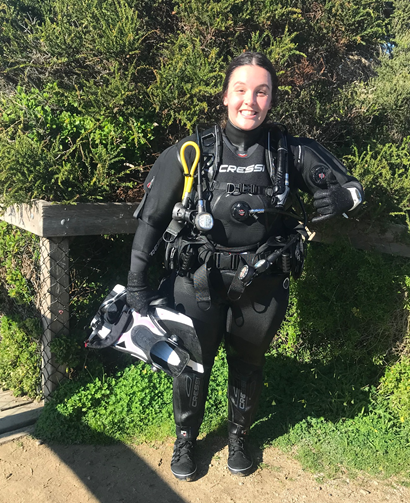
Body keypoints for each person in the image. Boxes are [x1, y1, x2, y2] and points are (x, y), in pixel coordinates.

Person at [126, 52, 364, 481]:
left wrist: (346, 198)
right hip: (195, 283)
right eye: (241, 90)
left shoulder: (290, 151)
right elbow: (150, 220)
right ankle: (186, 439)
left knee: (249, 363)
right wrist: (136, 283)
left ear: (271, 99)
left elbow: (351, 186)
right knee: (190, 363)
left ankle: (239, 435)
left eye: (261, 91)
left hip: (263, 284)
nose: (249, 100)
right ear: (225, 95)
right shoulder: (191, 153)